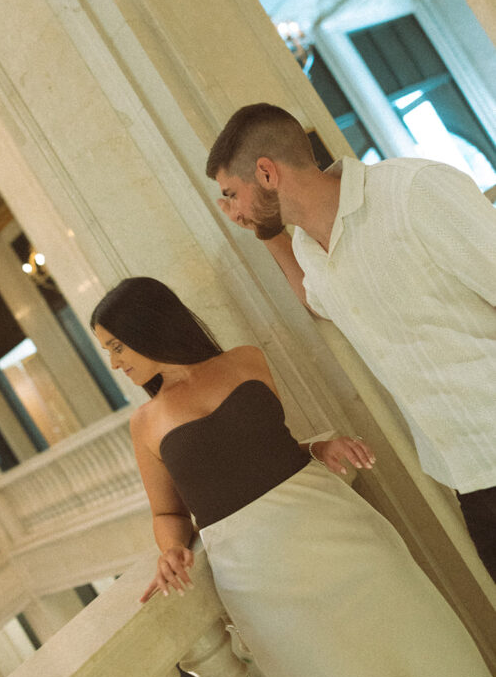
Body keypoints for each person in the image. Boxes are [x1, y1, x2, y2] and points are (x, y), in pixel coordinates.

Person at [91, 277, 496, 677]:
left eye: (116, 345)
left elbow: (270, 447)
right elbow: (168, 514)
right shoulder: (145, 424)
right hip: (265, 587)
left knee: (434, 663)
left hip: (346, 543)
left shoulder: (247, 360)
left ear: (147, 327)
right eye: (106, 351)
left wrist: (319, 448)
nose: (114, 362)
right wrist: (170, 552)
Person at [206, 102, 496, 580]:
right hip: (467, 475)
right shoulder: (304, 247)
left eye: (231, 193)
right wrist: (264, 229)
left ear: (265, 173)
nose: (230, 210)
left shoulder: (414, 189)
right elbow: (318, 298)